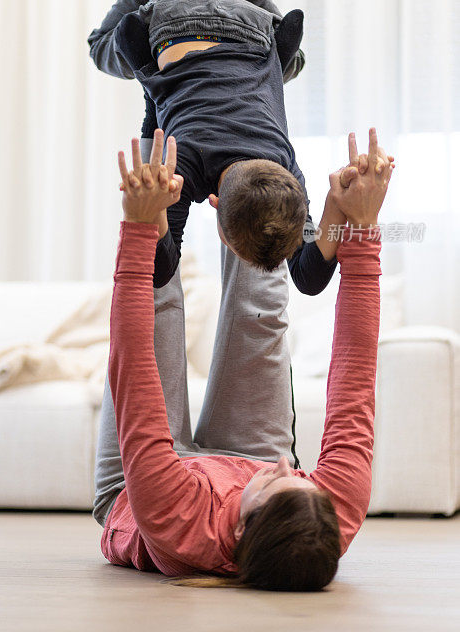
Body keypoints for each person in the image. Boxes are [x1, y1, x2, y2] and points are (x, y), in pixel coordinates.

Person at [93, 126, 394, 591]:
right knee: (264, 285)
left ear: (239, 531)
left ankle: (168, 116)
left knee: (159, 298)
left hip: (138, 487)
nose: (285, 465)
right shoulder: (331, 511)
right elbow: (355, 378)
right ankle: (244, 112)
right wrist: (361, 224)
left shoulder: (176, 520)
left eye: (276, 482)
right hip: (238, 462)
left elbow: (133, 372)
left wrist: (137, 226)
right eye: (302, 480)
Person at [88, 0, 352, 293]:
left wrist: (337, 201)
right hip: (171, 27)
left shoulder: (285, 174)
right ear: (217, 218)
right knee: (101, 49)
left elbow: (311, 274)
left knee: (291, 64)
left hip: (249, 24)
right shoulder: (183, 172)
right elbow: (160, 268)